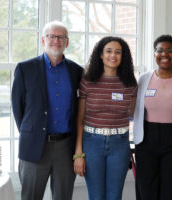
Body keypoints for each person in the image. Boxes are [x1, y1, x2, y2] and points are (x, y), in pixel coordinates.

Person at [11, 21, 83, 200]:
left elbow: (79, 110)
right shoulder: (25, 69)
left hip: (66, 148)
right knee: (30, 197)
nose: (56, 40)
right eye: (52, 36)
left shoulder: (77, 71)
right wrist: (32, 132)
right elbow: (18, 107)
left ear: (67, 42)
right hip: (34, 146)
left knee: (63, 197)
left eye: (61, 37)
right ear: (43, 40)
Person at [133, 34, 172, 200]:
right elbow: (134, 109)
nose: (164, 54)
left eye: (169, 50)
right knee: (147, 188)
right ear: (154, 53)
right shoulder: (143, 79)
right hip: (146, 140)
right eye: (160, 50)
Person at [73, 36, 137, 200]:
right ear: (100, 55)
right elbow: (80, 120)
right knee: (96, 196)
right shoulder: (88, 81)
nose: (113, 55)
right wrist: (78, 154)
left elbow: (135, 114)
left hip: (120, 143)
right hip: (92, 142)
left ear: (123, 57)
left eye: (118, 52)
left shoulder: (130, 83)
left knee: (114, 196)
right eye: (108, 51)